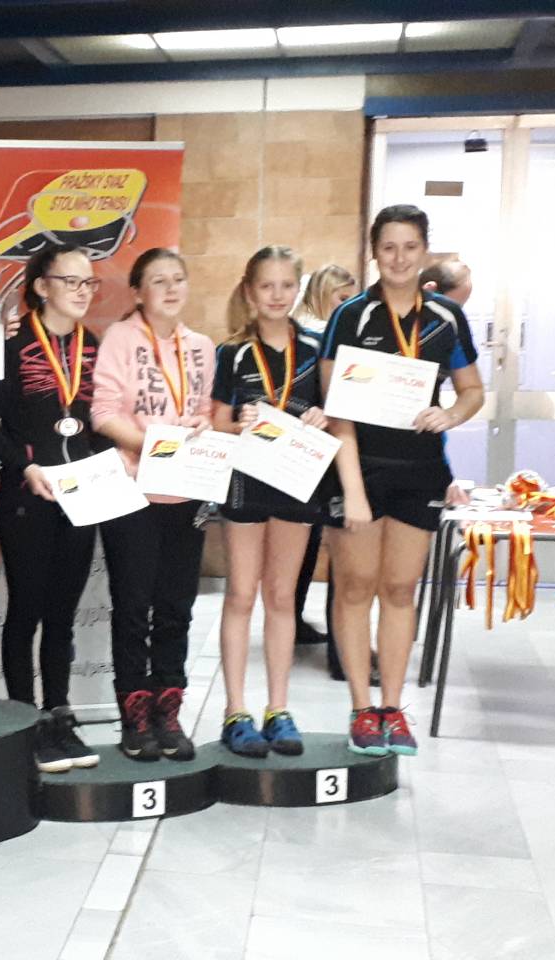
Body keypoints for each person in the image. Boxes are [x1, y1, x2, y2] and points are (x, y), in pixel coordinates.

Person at [322, 204, 484, 757]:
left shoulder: (446, 317)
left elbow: (472, 389)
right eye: (388, 247)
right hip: (359, 469)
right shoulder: (351, 316)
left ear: (424, 250)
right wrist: (353, 490)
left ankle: (392, 709)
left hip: (421, 472)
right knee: (355, 587)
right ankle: (361, 710)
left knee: (398, 589)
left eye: (409, 247)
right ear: (374, 251)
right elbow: (336, 409)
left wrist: (452, 414)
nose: (398, 258)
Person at [0, 244, 102, 774]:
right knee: (26, 608)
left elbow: (97, 422)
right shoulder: (12, 343)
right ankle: (22, 718)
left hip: (81, 495)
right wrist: (24, 466)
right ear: (41, 286)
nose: (81, 291)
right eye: (70, 280)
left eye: (88, 282)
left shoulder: (92, 345)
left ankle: (59, 712)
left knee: (61, 614)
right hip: (28, 494)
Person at [91, 248, 215, 762]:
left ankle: (169, 710)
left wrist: (203, 427)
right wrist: (155, 447)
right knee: (133, 606)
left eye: (178, 279)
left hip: (186, 491)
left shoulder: (202, 346)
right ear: (138, 291)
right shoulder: (120, 338)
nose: (170, 289)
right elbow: (103, 413)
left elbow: (204, 410)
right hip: (133, 490)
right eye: (158, 281)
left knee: (176, 609)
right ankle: (135, 717)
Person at [211, 247, 329, 758]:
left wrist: (322, 417)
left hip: (296, 480)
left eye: (286, 285)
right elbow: (216, 419)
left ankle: (278, 709)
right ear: (249, 290)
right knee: (241, 594)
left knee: (282, 597)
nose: (277, 295)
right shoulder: (233, 353)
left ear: (297, 289)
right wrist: (235, 423)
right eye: (267, 286)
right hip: (246, 482)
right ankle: (236, 711)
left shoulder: (316, 350)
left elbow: (335, 412)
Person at [291, 265, 359, 676]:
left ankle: (297, 624)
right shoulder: (314, 339)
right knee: (315, 550)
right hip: (314, 453)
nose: (347, 306)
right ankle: (340, 652)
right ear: (320, 295)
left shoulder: (316, 336)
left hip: (317, 454)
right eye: (341, 298)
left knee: (307, 548)